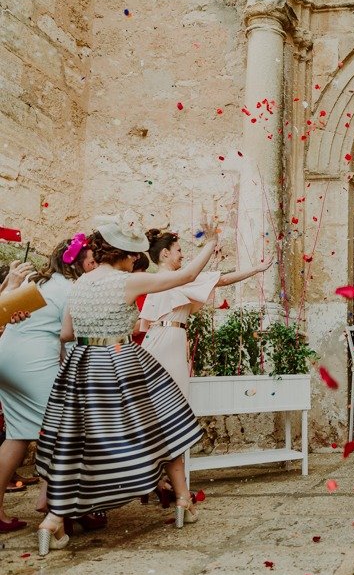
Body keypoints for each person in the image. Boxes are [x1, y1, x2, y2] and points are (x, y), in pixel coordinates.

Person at [34, 212, 219, 555]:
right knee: (165, 423)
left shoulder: (80, 284)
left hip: (81, 367)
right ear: (122, 253)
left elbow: (66, 334)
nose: (137, 258)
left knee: (74, 443)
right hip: (119, 362)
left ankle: (54, 520)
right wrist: (211, 242)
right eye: (133, 254)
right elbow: (188, 275)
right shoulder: (127, 282)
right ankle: (182, 500)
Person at [0, 236, 97, 534]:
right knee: (62, 432)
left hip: (7, 356)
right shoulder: (73, 289)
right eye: (92, 261)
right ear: (76, 263)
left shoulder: (42, 283)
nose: (95, 267)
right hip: (34, 363)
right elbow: (70, 338)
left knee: (18, 435)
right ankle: (58, 509)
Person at [139, 228, 273, 396]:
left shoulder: (159, 279)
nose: (182, 255)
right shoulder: (177, 279)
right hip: (168, 339)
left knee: (160, 397)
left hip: (161, 338)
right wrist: (256, 269)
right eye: (179, 250)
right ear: (165, 253)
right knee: (174, 396)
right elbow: (223, 280)